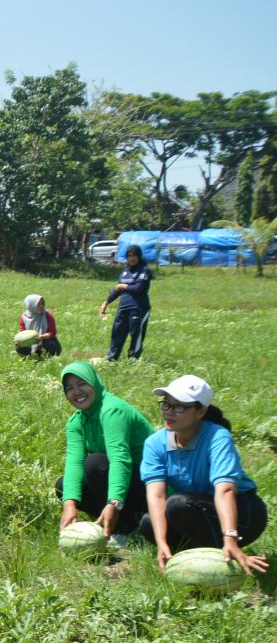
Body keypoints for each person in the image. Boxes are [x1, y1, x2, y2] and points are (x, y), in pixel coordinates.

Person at [139, 374, 268, 576]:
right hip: (196, 508)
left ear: (201, 412)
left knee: (178, 504)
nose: (169, 412)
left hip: (243, 513)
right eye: (166, 404)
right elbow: (156, 495)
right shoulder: (155, 443)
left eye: (179, 406)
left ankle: (227, 556)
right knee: (149, 524)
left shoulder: (217, 437)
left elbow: (225, 489)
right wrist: (161, 543)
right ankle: (198, 562)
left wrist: (231, 537)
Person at [56, 362, 153, 539]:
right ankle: (121, 523)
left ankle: (128, 520)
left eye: (82, 384)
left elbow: (120, 460)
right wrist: (69, 504)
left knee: (94, 464)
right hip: (122, 480)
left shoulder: (112, 411)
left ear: (95, 382)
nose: (76, 392)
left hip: (149, 481)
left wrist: (113, 503)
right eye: (69, 388)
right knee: (64, 487)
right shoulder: (76, 422)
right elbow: (74, 463)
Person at [101, 244, 153, 361]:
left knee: (136, 335)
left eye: (134, 256)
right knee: (117, 333)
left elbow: (140, 288)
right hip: (123, 308)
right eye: (129, 256)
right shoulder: (125, 271)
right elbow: (117, 290)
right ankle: (112, 358)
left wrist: (123, 286)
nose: (132, 258)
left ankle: (133, 360)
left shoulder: (144, 270)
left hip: (138, 308)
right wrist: (106, 302)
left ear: (139, 256)